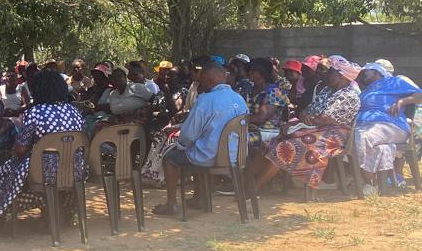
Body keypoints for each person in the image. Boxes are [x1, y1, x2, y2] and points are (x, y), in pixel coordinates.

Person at [0, 70, 85, 226]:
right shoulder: (74, 111)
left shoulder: (35, 113)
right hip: (74, 170)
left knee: (1, 175)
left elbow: (20, 149)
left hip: (44, 174)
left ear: (38, 90)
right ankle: (58, 212)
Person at [153, 58, 248, 215]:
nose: (200, 85)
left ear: (209, 80)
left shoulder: (206, 100)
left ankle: (171, 204)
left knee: (170, 157)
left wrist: (181, 145)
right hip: (236, 157)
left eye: (201, 81)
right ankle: (200, 198)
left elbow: (188, 134)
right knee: (198, 148)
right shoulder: (239, 99)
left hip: (211, 158)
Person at [254, 55, 361, 193]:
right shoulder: (327, 90)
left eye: (331, 72)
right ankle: (248, 184)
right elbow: (306, 111)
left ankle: (255, 188)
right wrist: (307, 117)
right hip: (315, 128)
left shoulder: (349, 96)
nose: (327, 75)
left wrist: (308, 118)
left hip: (334, 135)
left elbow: (324, 118)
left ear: (341, 76)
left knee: (285, 147)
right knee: (268, 144)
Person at [354, 62, 420, 191]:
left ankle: (370, 181)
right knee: (347, 138)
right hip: (365, 125)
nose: (361, 75)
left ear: (377, 72)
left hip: (390, 125)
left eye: (365, 72)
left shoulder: (394, 82)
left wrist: (402, 101)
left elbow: (420, 95)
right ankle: (371, 178)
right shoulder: (367, 89)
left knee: (362, 136)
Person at [245, 57, 290, 150]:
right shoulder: (249, 90)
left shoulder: (275, 92)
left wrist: (238, 120)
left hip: (269, 131)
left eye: (254, 70)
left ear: (263, 72)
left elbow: (261, 118)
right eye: (249, 70)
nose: (250, 73)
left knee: (237, 139)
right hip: (251, 128)